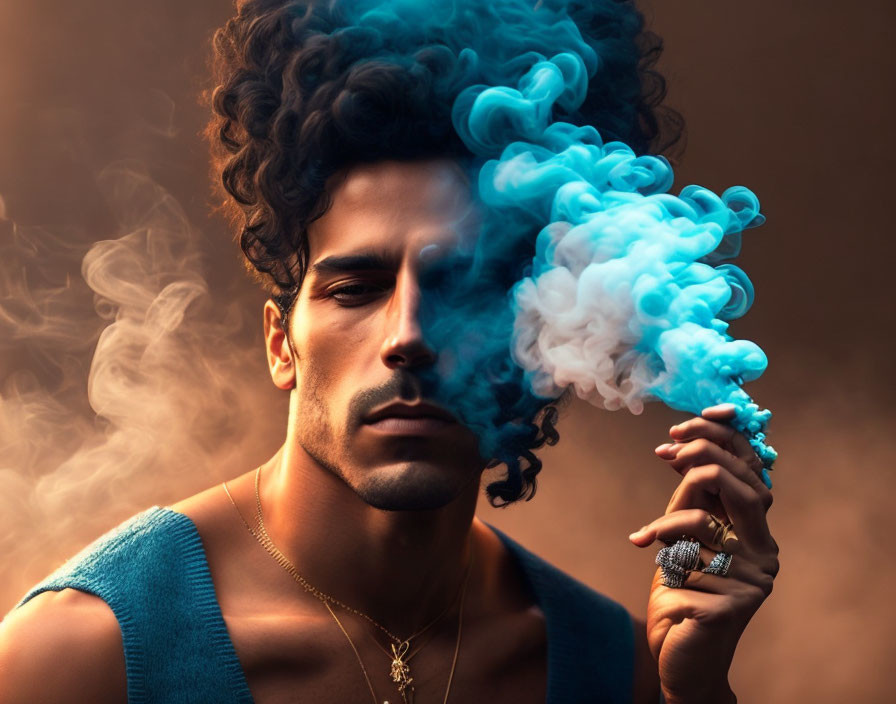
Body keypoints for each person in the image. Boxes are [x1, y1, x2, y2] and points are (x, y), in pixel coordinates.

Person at [0, 2, 779, 703]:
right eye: (356, 288)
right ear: (282, 344)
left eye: (464, 291)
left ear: (541, 340)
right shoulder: (83, 655)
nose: (409, 336)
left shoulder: (615, 667)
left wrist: (698, 693)